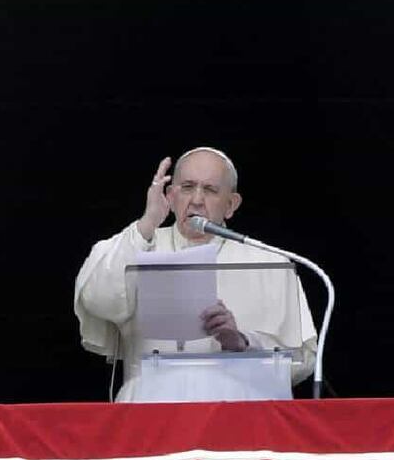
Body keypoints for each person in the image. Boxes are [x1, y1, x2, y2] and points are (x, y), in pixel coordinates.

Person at [74, 147, 318, 401]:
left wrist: (242, 342)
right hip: (152, 414)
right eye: (187, 187)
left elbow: (304, 359)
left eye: (210, 190)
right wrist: (148, 221)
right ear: (170, 195)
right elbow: (98, 300)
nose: (197, 200)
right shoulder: (139, 244)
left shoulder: (268, 260)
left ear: (231, 205)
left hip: (241, 422)